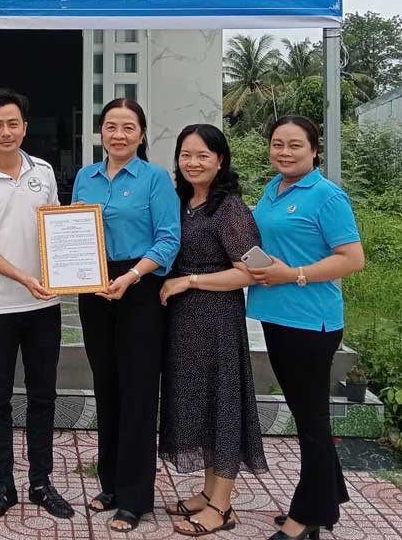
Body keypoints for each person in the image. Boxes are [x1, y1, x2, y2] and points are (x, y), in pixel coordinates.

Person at [0, 88, 75, 521]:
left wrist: (74, 269)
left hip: (45, 305)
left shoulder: (42, 171)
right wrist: (24, 278)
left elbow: (57, 229)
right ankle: (3, 483)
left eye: (13, 124)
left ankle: (41, 481)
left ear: (25, 128)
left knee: (44, 394)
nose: (6, 132)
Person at [247, 116, 365, 540]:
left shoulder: (327, 196)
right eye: (277, 144)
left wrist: (294, 273)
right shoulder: (272, 190)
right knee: (306, 413)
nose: (284, 152)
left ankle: (308, 516)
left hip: (311, 321)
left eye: (295, 145)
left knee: (311, 419)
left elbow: (352, 258)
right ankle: (327, 499)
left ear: (314, 150)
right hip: (276, 316)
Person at [71, 98, 180, 533]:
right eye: (111, 126)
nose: (119, 134)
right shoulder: (85, 176)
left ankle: (136, 498)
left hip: (140, 286)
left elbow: (169, 240)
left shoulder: (156, 179)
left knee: (137, 391)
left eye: (128, 127)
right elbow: (75, 230)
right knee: (106, 385)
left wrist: (132, 276)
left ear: (141, 134)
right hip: (94, 287)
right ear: (100, 132)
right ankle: (111, 482)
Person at [157, 124, 269, 536]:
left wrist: (190, 281)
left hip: (217, 319)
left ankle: (222, 505)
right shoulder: (185, 203)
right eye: (186, 155)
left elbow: (253, 271)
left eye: (203, 155)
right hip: (185, 322)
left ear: (220, 160)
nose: (193, 162)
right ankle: (207, 493)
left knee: (222, 404)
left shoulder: (229, 209)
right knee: (200, 404)